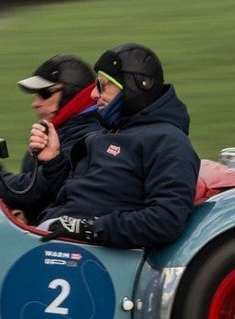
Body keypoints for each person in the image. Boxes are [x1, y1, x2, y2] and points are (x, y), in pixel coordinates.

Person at [25, 42, 200, 249]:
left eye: (102, 85)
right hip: (51, 234)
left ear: (136, 85)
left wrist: (90, 228)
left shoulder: (167, 141)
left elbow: (165, 219)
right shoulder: (106, 134)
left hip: (84, 250)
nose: (93, 95)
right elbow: (71, 194)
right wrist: (54, 160)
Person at [0, 53, 98, 202]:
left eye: (44, 93)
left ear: (71, 93)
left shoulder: (86, 137)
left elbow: (34, 190)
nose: (35, 103)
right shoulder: (62, 129)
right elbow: (28, 181)